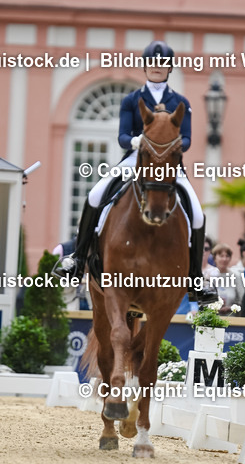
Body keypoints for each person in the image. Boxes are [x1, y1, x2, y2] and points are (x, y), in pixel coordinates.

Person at [56, 41, 216, 304]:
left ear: (169, 68)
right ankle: (78, 259)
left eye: (162, 63)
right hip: (135, 158)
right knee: (96, 195)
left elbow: (186, 139)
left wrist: (168, 148)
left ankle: (196, 279)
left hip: (168, 165)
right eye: (152, 63)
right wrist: (139, 143)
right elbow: (122, 136)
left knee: (197, 214)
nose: (156, 67)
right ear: (145, 66)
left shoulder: (181, 102)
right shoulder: (132, 100)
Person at [204, 242, 242, 313]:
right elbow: (203, 300)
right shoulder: (208, 275)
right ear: (215, 258)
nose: (224, 259)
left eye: (227, 256)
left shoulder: (236, 276)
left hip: (232, 318)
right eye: (221, 256)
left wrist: (231, 308)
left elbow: (242, 300)